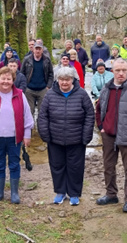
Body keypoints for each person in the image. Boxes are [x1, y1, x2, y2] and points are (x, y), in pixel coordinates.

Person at [95, 58, 127, 213]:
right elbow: (98, 109)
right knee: (108, 167)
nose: (121, 73)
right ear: (113, 71)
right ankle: (111, 194)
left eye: (124, 70)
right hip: (109, 135)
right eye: (118, 70)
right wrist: (102, 127)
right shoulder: (106, 88)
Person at [38, 67, 95, 206]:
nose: (64, 82)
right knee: (57, 166)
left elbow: (89, 115)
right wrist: (45, 134)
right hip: (55, 139)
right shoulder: (50, 94)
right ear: (57, 80)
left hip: (76, 139)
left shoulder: (81, 94)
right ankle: (60, 191)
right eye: (62, 79)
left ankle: (74, 193)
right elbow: (42, 116)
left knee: (75, 167)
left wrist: (86, 135)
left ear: (73, 80)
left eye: (67, 79)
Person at [0, 67, 34, 204]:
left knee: (15, 164)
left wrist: (27, 135)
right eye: (3, 78)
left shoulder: (20, 95)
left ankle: (14, 193)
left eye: (8, 79)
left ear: (13, 80)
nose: (5, 81)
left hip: (15, 137)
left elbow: (27, 116)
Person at [20, 42, 54, 116]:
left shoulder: (47, 60)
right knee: (29, 110)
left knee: (42, 111)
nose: (37, 51)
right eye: (36, 49)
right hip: (29, 89)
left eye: (39, 49)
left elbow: (51, 74)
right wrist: (24, 86)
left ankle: (40, 126)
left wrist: (48, 86)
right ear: (33, 49)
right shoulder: (27, 59)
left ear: (42, 50)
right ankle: (31, 127)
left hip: (43, 89)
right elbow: (22, 74)